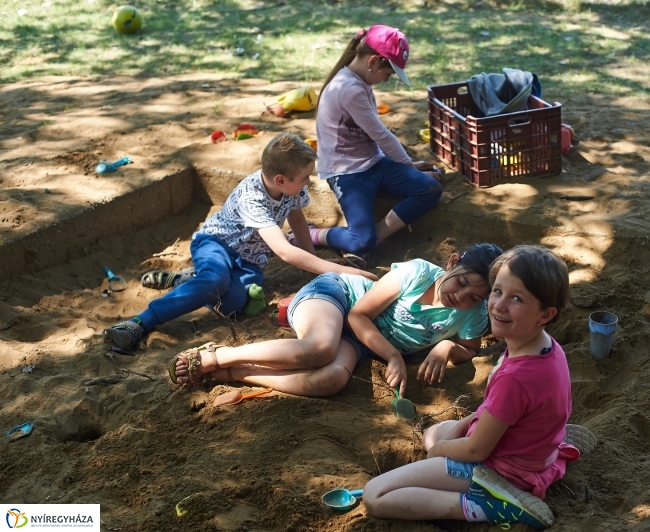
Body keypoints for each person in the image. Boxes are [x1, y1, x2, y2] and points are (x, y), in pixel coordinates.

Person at [361, 245, 597, 529]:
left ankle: (483, 505)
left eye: (517, 298)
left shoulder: (516, 377)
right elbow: (496, 412)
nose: (499, 304)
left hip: (498, 468)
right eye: (497, 291)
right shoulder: (544, 346)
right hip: (519, 448)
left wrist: (442, 452)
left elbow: (476, 452)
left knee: (376, 494)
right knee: (433, 434)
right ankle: (545, 445)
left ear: (545, 315)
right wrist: (458, 432)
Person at [103, 132, 377, 351]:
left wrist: (311, 263)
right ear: (281, 179)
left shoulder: (291, 190)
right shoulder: (252, 196)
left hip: (249, 259)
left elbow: (297, 222)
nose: (308, 182)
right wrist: (339, 270)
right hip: (216, 244)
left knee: (234, 306)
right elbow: (283, 251)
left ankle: (188, 281)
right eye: (305, 178)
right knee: (214, 281)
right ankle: (141, 322)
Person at [167, 243, 504, 398]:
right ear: (452, 262)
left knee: (330, 380)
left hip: (359, 342)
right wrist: (393, 355)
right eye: (460, 283)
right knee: (320, 347)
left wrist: (445, 347)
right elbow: (359, 314)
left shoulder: (474, 314)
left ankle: (238, 373)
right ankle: (215, 356)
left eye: (474, 297)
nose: (461, 298)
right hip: (338, 298)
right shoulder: (417, 272)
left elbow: (468, 348)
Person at [301, 25, 443, 268]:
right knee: (358, 243)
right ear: (374, 61)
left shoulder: (360, 81)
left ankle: (374, 236)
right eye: (388, 73)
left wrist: (409, 168)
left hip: (375, 163)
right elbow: (381, 135)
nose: (386, 79)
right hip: (347, 174)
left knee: (430, 187)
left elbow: (377, 140)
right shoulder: (349, 88)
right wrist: (408, 165)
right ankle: (316, 235)